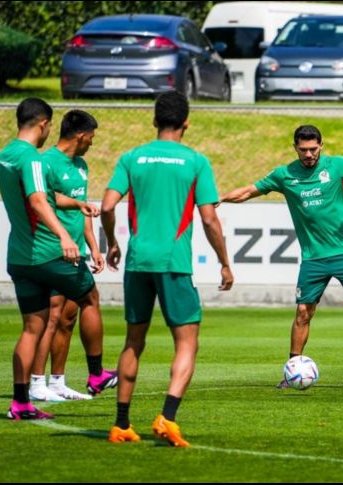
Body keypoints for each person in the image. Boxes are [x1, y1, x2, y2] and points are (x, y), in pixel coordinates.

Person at [101, 91, 233, 446]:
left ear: (154, 120)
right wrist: (224, 262)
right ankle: (167, 417)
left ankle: (122, 424)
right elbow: (209, 219)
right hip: (174, 262)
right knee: (187, 342)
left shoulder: (132, 158)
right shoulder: (195, 162)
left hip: (138, 261)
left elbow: (107, 205)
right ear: (186, 122)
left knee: (133, 340)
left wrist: (112, 242)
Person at [220, 124, 343, 390]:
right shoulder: (284, 175)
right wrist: (219, 199)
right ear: (295, 148)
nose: (309, 154)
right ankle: (292, 368)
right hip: (313, 257)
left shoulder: (337, 165)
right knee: (302, 312)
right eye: (303, 149)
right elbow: (248, 191)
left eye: (313, 149)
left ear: (321, 145)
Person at [0, 98, 115, 420]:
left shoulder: (5, 156)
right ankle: (96, 374)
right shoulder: (33, 159)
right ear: (45, 124)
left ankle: (21, 402)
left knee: (32, 327)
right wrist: (64, 236)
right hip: (46, 252)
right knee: (89, 297)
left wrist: (77, 206)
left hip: (19, 256)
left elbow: (45, 196)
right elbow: (37, 200)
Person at [28, 110, 106, 402]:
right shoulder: (45, 163)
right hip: (53, 250)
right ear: (81, 136)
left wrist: (94, 247)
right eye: (92, 138)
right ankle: (37, 382)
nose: (92, 144)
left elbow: (80, 208)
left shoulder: (82, 165)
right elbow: (42, 203)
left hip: (76, 251)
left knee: (69, 317)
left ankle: (58, 381)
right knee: (51, 315)